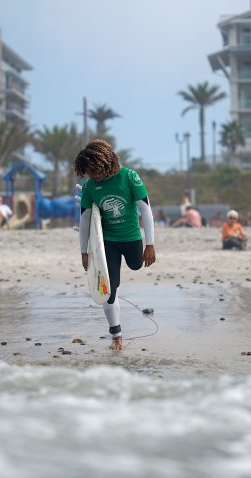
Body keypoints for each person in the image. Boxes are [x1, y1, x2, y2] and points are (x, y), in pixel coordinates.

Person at [74, 139, 156, 351]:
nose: (92, 176)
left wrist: (150, 244)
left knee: (137, 265)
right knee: (109, 290)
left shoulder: (129, 176)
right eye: (88, 173)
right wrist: (84, 251)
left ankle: (121, 278)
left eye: (94, 171)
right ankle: (116, 335)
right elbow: (84, 220)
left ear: (105, 162)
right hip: (107, 242)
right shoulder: (90, 186)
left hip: (131, 237)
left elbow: (146, 210)